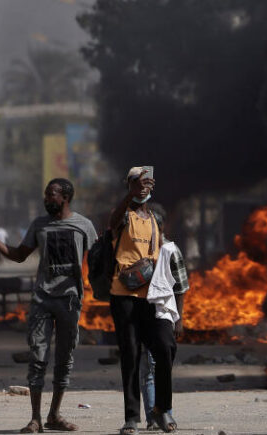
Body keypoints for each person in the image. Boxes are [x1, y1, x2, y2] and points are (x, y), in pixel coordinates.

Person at [0, 178, 97, 433]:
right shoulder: (39, 225)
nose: (46, 199)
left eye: (51, 195)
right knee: (37, 357)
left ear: (65, 197)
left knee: (64, 359)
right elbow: (20, 255)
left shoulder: (84, 226)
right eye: (46, 195)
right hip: (42, 299)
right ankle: (35, 418)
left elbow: (98, 259)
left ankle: (54, 416)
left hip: (69, 300)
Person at [109, 168, 178, 435]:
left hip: (151, 296)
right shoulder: (124, 215)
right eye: (136, 183)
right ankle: (131, 418)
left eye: (145, 183)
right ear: (129, 186)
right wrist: (130, 196)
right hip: (123, 295)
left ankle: (162, 409)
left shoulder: (156, 219)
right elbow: (112, 221)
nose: (141, 188)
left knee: (165, 346)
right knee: (131, 355)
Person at [139, 205, 188, 431]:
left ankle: (162, 409)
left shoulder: (170, 250)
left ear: (161, 227)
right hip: (140, 312)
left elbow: (181, 286)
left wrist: (179, 319)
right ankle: (155, 416)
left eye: (154, 225)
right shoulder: (136, 249)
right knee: (147, 366)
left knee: (163, 360)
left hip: (164, 313)